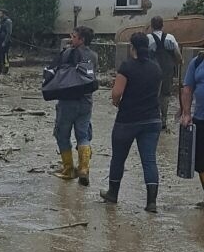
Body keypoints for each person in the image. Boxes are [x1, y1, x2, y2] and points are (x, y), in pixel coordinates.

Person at [100, 32, 162, 212]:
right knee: (149, 160)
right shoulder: (156, 67)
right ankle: (151, 202)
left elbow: (116, 93)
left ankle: (113, 194)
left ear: (132, 47)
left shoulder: (127, 66)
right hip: (152, 119)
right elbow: (157, 93)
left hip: (127, 120)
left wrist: (116, 103)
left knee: (118, 158)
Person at [52, 26, 97, 184]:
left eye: (74, 36)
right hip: (86, 102)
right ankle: (84, 169)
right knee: (83, 135)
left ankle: (68, 169)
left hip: (67, 102)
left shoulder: (67, 53)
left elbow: (56, 71)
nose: (72, 38)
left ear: (81, 39)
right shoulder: (93, 56)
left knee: (62, 134)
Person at [180, 25, 204, 207]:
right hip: (202, 119)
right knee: (203, 161)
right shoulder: (197, 62)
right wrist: (186, 113)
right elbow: (187, 89)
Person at [147, 16, 182, 131]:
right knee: (165, 96)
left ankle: (153, 119)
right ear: (162, 26)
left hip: (152, 72)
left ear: (151, 26)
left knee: (153, 95)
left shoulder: (148, 39)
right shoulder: (170, 38)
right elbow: (177, 55)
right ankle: (164, 120)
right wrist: (180, 62)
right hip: (167, 71)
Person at [0, 8, 12, 74]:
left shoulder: (8, 21)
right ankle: (0, 69)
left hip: (4, 41)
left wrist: (5, 42)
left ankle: (5, 70)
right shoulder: (1, 21)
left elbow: (9, 33)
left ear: (4, 14)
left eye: (0, 13)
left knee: (4, 56)